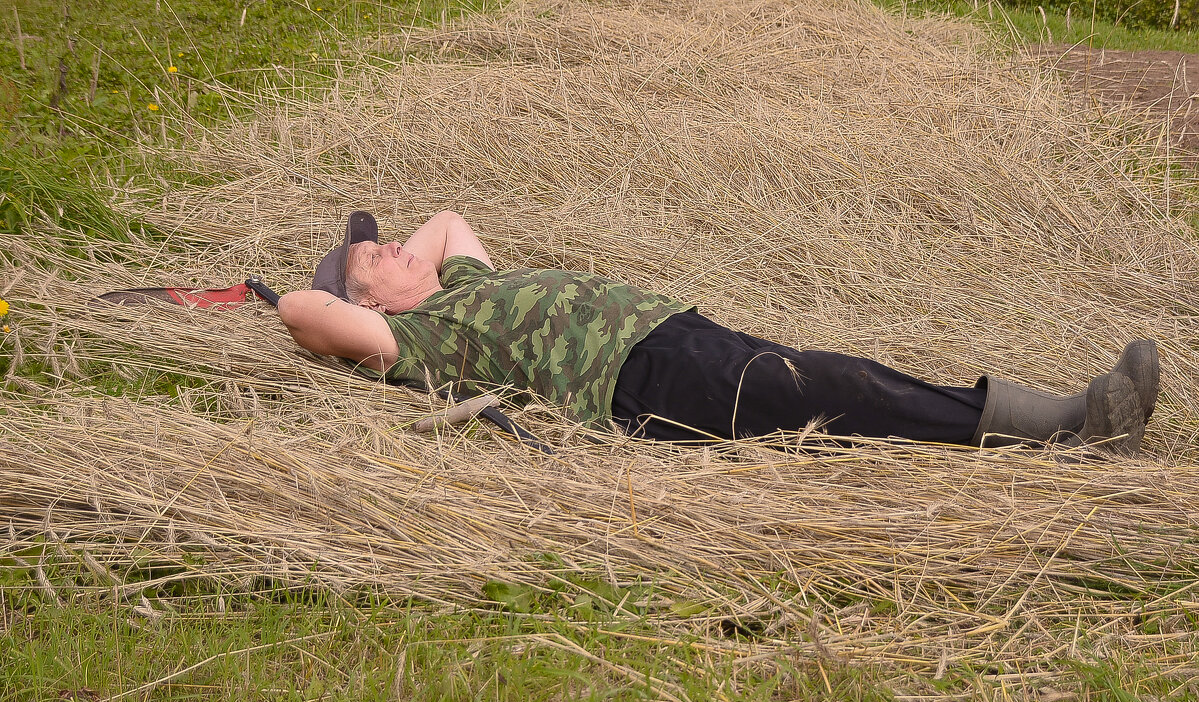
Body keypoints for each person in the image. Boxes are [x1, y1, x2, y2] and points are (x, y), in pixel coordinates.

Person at [277, 210, 1159, 453]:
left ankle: (1044, 422)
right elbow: (297, 313)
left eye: (383, 243)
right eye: (374, 261)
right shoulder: (429, 339)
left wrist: (393, 265)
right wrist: (354, 293)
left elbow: (446, 218)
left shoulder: (466, 277)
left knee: (834, 388)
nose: (392, 246)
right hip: (637, 379)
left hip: (668, 331)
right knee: (835, 391)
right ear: (371, 311)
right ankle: (1069, 428)